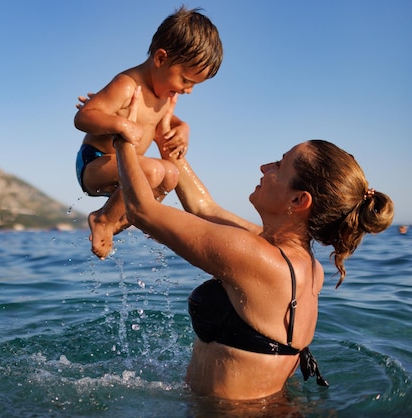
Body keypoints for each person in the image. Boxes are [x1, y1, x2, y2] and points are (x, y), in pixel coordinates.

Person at [112, 88, 395, 400]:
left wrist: (123, 135)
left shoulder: (260, 259)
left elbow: (142, 210)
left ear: (299, 200)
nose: (264, 167)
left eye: (279, 164)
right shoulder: (300, 264)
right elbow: (205, 210)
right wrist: (170, 148)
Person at [74, 6, 222, 259]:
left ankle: (137, 218)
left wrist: (182, 128)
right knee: (155, 171)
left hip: (128, 172)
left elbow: (166, 120)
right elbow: (83, 116)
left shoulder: (164, 95)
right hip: (95, 162)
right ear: (161, 59)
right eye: (186, 81)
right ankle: (102, 220)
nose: (189, 91)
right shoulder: (127, 85)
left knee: (170, 175)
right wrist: (119, 124)